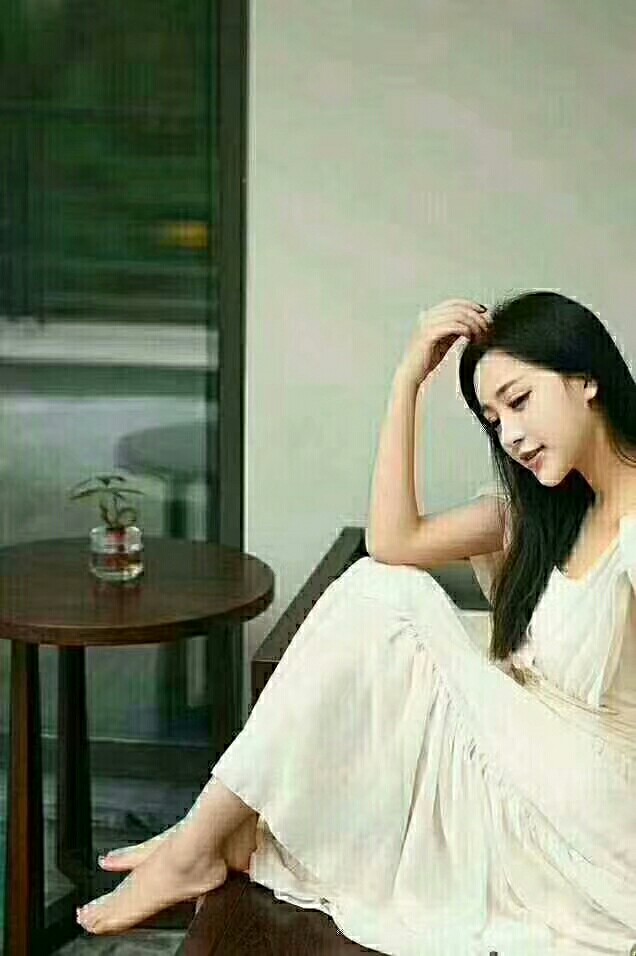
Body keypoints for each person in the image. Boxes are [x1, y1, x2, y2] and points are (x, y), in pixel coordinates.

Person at [76, 293, 636, 956]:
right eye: (493, 420)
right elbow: (392, 541)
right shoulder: (544, 515)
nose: (510, 436)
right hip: (529, 762)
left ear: (585, 378)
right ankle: (204, 837)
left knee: (385, 597)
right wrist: (408, 380)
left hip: (594, 809)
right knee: (384, 584)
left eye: (519, 401)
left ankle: (195, 844)